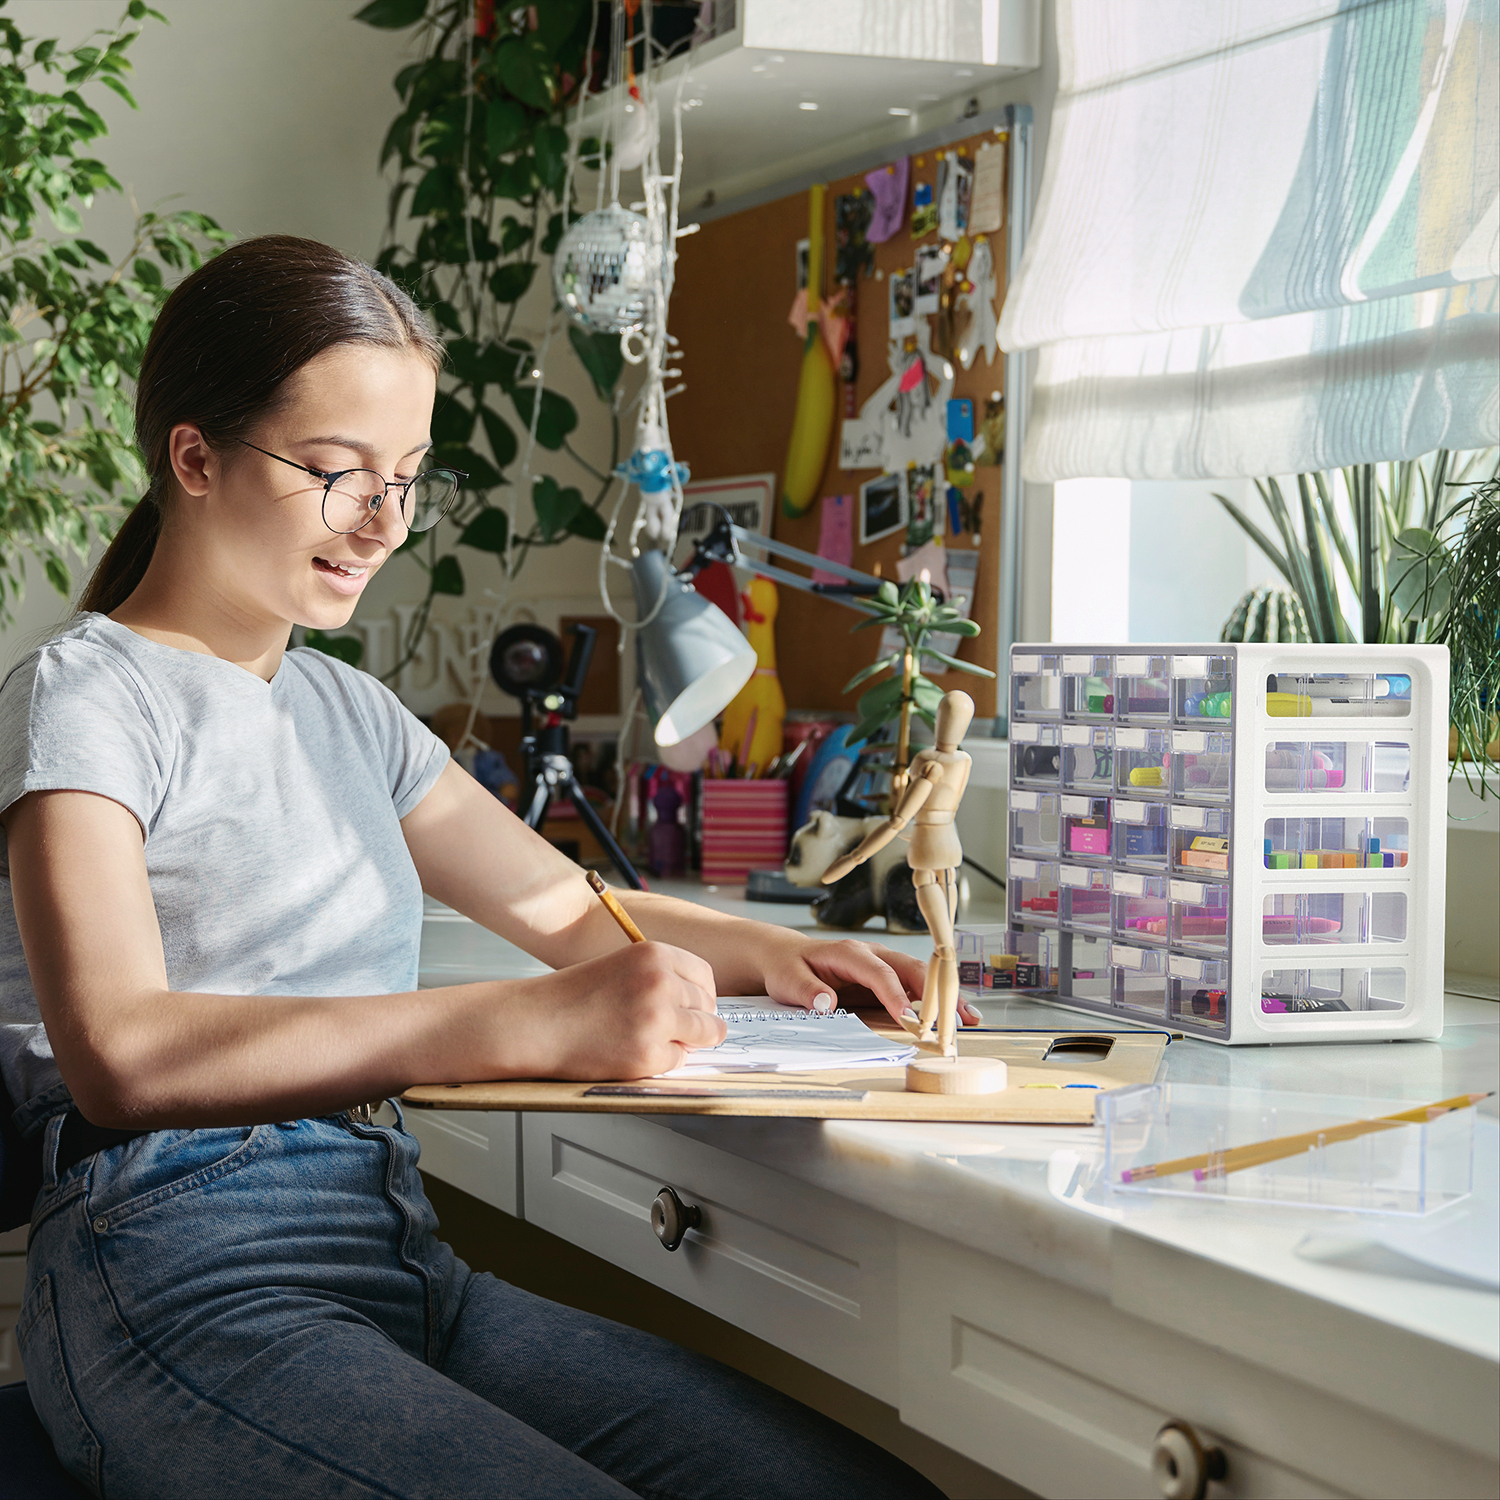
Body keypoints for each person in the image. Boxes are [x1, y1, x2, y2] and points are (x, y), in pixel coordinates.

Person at [0, 237, 966, 1499]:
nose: (384, 522)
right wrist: (518, 1021)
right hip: (173, 1262)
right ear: (193, 457)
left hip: (389, 1242)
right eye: (338, 474)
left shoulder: (351, 715)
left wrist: (786, 958)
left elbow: (570, 909)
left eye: (407, 479)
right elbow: (121, 1057)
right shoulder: (89, 696)